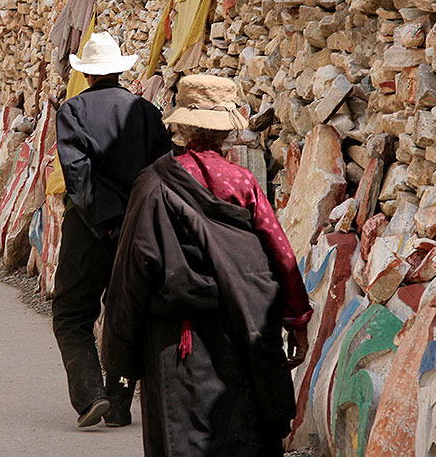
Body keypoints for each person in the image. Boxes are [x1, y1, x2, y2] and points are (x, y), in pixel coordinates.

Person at [102, 74, 312, 457]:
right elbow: (280, 254)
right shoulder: (243, 182)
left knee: (181, 437)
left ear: (180, 126)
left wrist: (119, 350)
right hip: (243, 321)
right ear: (228, 131)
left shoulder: (151, 184)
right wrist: (296, 319)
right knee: (244, 428)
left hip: (173, 340)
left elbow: (133, 269)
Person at [53, 32, 172, 429]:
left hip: (88, 228)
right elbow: (162, 171)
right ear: (120, 70)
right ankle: (119, 404)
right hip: (138, 228)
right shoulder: (146, 111)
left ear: (86, 75)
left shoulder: (73, 112)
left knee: (72, 314)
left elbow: (77, 175)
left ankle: (90, 395)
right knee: (126, 315)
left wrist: (101, 223)